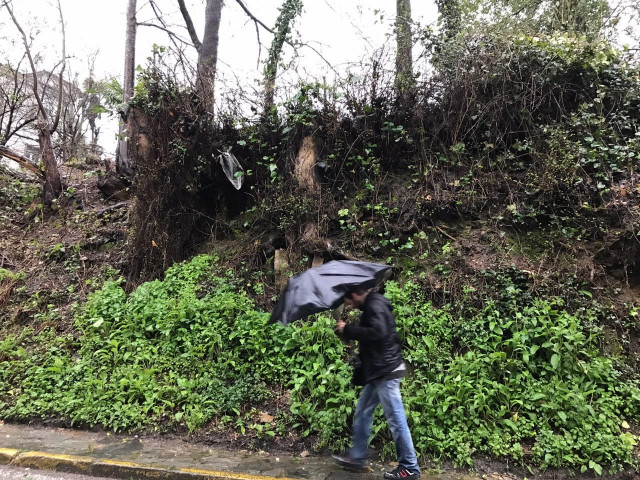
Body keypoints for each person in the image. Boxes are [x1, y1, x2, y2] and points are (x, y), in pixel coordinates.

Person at [331, 286, 421, 479]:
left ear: (354, 294)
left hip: (386, 372)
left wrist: (348, 329)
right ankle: (357, 457)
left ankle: (410, 467)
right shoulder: (373, 304)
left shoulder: (374, 305)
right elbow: (373, 336)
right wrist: (347, 333)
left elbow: (377, 333)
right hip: (378, 371)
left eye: (348, 301)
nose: (349, 305)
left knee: (396, 421)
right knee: (363, 410)